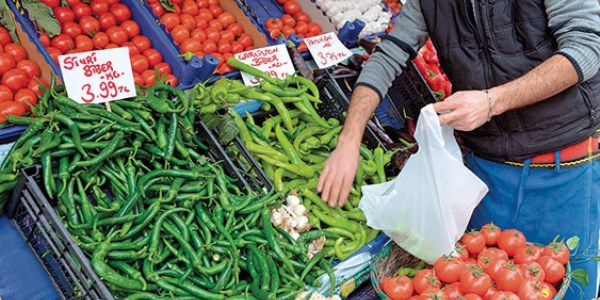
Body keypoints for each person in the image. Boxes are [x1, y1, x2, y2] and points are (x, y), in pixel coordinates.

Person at [317, 0, 600, 298]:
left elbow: (586, 48)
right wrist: (349, 138)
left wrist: (492, 101)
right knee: (482, 285)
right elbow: (388, 55)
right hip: (485, 175)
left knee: (562, 285)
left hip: (562, 168)